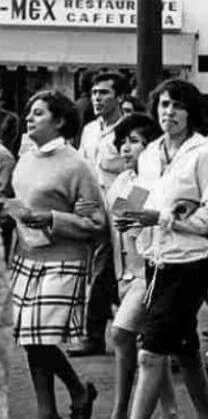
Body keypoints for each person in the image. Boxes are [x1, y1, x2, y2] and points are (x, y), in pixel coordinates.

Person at [126, 79, 208, 419]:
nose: (170, 112)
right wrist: (128, 214)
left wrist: (164, 218)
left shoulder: (207, 153)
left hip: (189, 264)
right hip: (155, 261)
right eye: (165, 104)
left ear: (191, 112)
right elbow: (137, 195)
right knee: (185, 349)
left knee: (150, 354)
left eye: (178, 106)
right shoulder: (151, 152)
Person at [10, 90, 102, 419]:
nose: (29, 118)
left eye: (38, 113)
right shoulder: (26, 156)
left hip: (65, 259)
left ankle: (57, 405)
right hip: (27, 255)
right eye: (29, 112)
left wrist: (51, 218)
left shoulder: (77, 165)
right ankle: (60, 403)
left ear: (59, 121)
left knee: (41, 337)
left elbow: (94, 222)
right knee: (32, 338)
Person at [82, 113, 178, 419]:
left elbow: (125, 220)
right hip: (124, 274)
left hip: (148, 273)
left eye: (134, 142)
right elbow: (108, 226)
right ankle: (171, 410)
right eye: (122, 142)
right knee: (153, 346)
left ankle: (120, 410)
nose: (125, 148)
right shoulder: (122, 180)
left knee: (122, 334)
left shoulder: (156, 181)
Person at [69, 71, 131, 358]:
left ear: (119, 97)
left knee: (106, 270)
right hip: (90, 208)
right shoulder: (90, 129)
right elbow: (81, 166)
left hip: (118, 208)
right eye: (94, 93)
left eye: (104, 93)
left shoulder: (130, 129)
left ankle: (94, 334)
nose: (97, 98)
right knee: (97, 272)